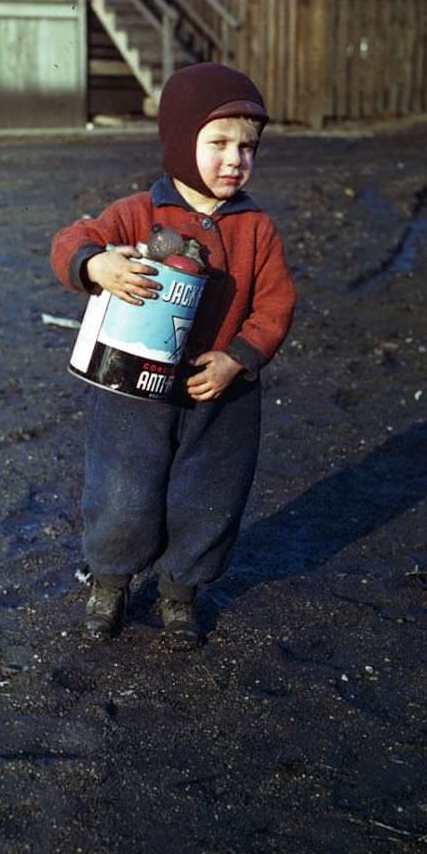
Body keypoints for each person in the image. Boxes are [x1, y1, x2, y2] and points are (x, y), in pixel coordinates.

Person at [50, 63, 296, 649]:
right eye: (218, 143)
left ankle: (182, 593)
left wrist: (237, 358)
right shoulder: (138, 212)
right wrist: (97, 264)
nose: (235, 159)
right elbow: (69, 241)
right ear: (181, 141)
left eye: (248, 147)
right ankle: (109, 583)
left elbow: (277, 302)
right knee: (120, 488)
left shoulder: (256, 227)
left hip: (220, 393)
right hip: (134, 386)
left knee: (209, 496)